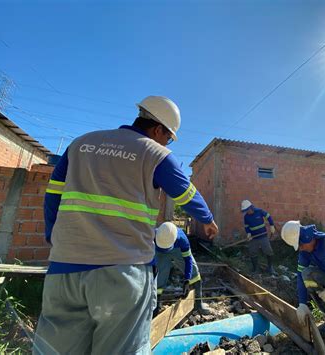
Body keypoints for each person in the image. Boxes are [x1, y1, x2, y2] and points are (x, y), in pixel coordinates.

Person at [34, 96, 218, 354]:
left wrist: (53, 235)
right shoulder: (155, 153)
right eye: (169, 138)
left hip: (64, 270)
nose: (168, 144)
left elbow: (53, 194)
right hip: (122, 272)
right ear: (158, 129)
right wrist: (208, 220)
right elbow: (186, 194)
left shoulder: (81, 144)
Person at [155, 222, 211, 315]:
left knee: (194, 272)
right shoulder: (153, 236)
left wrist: (187, 279)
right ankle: (155, 307)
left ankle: (198, 304)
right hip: (159, 251)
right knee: (159, 277)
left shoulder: (182, 239)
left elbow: (188, 260)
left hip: (177, 249)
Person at [241, 199, 276, 274]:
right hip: (253, 238)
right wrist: (248, 233)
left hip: (263, 236)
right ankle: (255, 269)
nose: (247, 212)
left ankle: (270, 268)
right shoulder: (246, 217)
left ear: (251, 208)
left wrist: (272, 225)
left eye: (247, 210)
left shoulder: (259, 211)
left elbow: (268, 216)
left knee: (268, 251)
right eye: (245, 211)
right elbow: (246, 226)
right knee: (252, 252)